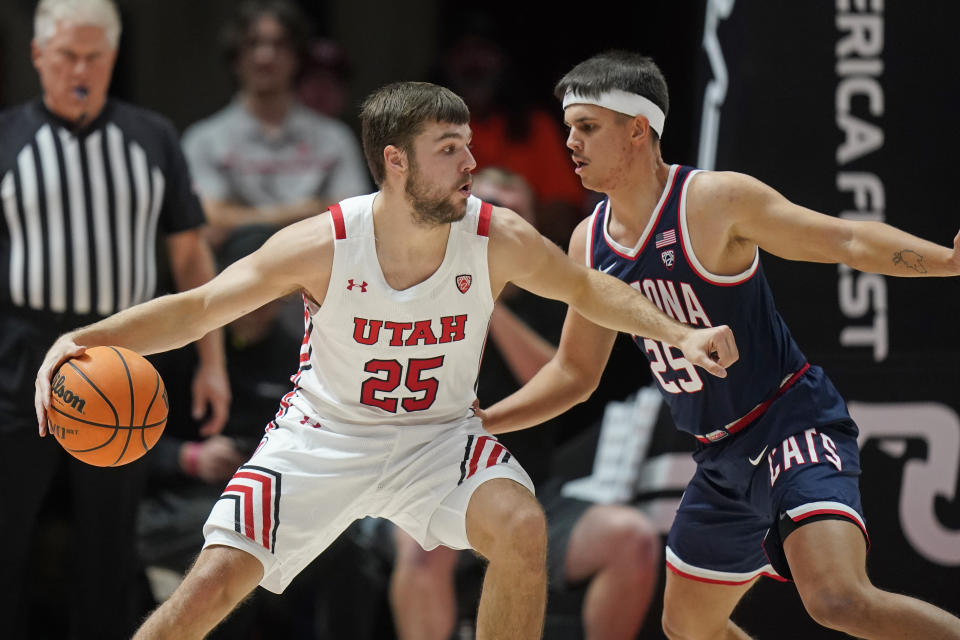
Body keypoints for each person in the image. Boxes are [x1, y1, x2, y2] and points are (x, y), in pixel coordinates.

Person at [34, 80, 736, 640]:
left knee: (522, 526)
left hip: (437, 439)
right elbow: (198, 307)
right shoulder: (325, 241)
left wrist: (678, 332)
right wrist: (87, 338)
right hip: (322, 437)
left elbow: (589, 288)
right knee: (211, 584)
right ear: (395, 161)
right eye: (449, 148)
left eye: (466, 146)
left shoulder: (497, 237)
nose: (470, 164)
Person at [480, 51, 960, 639]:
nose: (570, 141)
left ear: (637, 129)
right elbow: (575, 373)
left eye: (587, 126)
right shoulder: (588, 241)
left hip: (789, 422)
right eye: (569, 126)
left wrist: (947, 263)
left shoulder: (712, 201)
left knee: (838, 599)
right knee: (687, 628)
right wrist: (484, 421)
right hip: (718, 455)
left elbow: (848, 240)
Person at [0, 1, 229, 638]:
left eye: (95, 57)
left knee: (110, 548)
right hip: (20, 353)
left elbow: (189, 254)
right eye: (68, 55)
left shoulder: (152, 136)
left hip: (123, 356)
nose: (82, 69)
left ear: (114, 57)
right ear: (38, 55)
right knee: (6, 537)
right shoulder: (7, 138)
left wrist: (211, 363)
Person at [390, 167, 660, 640]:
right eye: (485, 211)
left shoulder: (557, 296)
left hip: (533, 493)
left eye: (512, 214)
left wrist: (488, 303)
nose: (495, 225)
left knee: (630, 539)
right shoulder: (416, 292)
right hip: (427, 484)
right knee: (421, 549)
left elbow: (557, 381)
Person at [181, 0, 370, 250]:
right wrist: (306, 209)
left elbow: (356, 225)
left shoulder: (334, 138)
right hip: (236, 278)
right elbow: (207, 228)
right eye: (252, 44)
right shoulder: (203, 140)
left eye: (279, 45)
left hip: (319, 279)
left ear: (297, 56)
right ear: (235, 56)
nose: (265, 56)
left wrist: (237, 216)